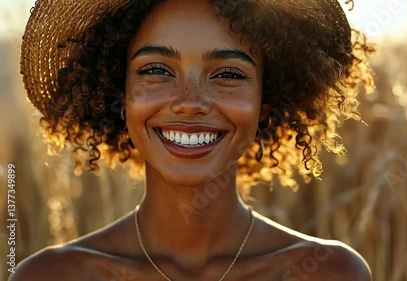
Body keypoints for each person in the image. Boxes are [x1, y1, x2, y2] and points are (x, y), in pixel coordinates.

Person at [12, 0, 374, 280]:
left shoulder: (329, 271)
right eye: (156, 70)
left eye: (228, 74)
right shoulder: (49, 276)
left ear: (266, 102)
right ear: (119, 94)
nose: (189, 102)